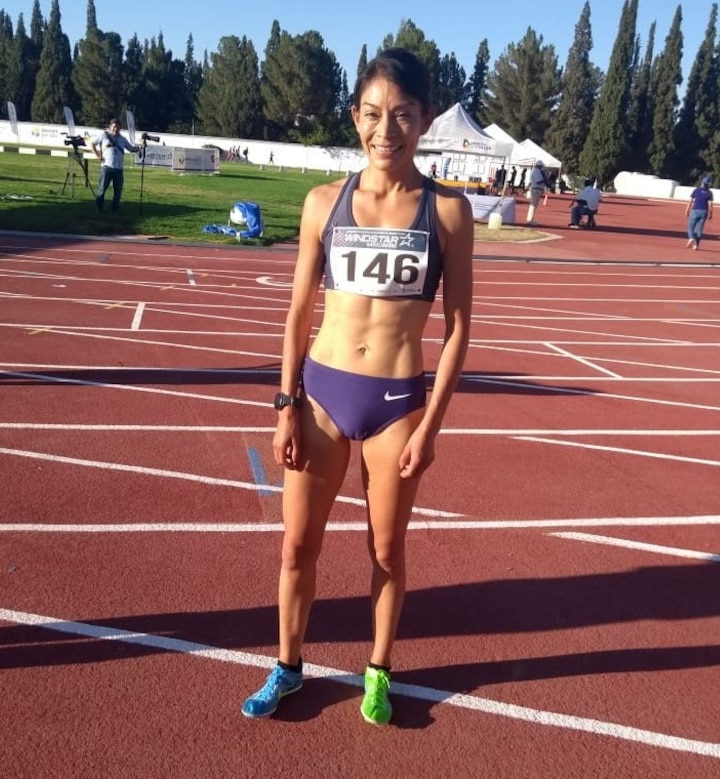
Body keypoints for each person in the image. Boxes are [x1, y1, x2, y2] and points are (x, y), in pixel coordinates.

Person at [241, 48, 474, 726]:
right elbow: (296, 314)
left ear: (424, 120)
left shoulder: (449, 212)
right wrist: (285, 405)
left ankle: (377, 671)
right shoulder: (324, 203)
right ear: (355, 117)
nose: (386, 130)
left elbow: (459, 329)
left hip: (397, 405)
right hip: (319, 397)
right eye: (373, 114)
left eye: (402, 115)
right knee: (295, 546)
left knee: (386, 550)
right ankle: (287, 665)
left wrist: (430, 428)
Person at [88, 118, 140, 212]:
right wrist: (97, 155)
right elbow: (92, 144)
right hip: (106, 167)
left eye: (118, 127)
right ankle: (99, 207)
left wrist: (141, 147)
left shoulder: (123, 139)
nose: (116, 129)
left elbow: (131, 149)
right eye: (114, 126)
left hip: (118, 169)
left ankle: (115, 209)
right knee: (102, 189)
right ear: (110, 127)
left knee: (118, 191)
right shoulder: (104, 136)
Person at [685, 175, 714, 250]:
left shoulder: (696, 190)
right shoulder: (709, 193)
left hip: (695, 210)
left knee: (690, 227)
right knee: (700, 229)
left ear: (702, 182)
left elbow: (690, 201)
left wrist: (687, 210)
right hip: (704, 211)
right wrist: (711, 214)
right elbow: (710, 205)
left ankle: (691, 238)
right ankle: (696, 245)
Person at [526, 160, 548, 225]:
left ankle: (530, 219)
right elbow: (538, 181)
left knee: (534, 205)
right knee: (533, 205)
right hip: (536, 189)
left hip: (537, 189)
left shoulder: (537, 171)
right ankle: (529, 220)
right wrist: (545, 179)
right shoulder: (536, 171)